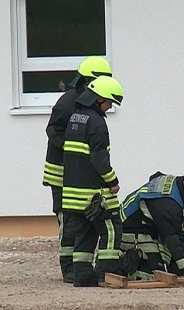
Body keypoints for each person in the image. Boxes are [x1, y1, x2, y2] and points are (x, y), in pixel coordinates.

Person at [42, 56, 113, 283]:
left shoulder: (86, 105)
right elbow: (53, 131)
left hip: (78, 174)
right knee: (69, 221)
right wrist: (72, 151)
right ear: (87, 81)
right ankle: (68, 269)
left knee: (82, 220)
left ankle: (79, 266)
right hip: (61, 172)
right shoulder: (67, 103)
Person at [61, 75, 124, 287]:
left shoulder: (75, 118)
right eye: (109, 102)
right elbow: (99, 160)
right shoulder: (97, 123)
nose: (109, 107)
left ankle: (82, 276)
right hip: (93, 193)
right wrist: (113, 181)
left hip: (72, 195)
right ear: (99, 99)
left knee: (84, 234)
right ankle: (106, 275)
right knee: (112, 228)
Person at [119, 172, 184, 279]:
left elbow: (154, 177)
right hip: (129, 232)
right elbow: (174, 239)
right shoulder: (169, 203)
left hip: (136, 226)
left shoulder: (174, 187)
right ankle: (122, 263)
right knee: (154, 274)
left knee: (165, 260)